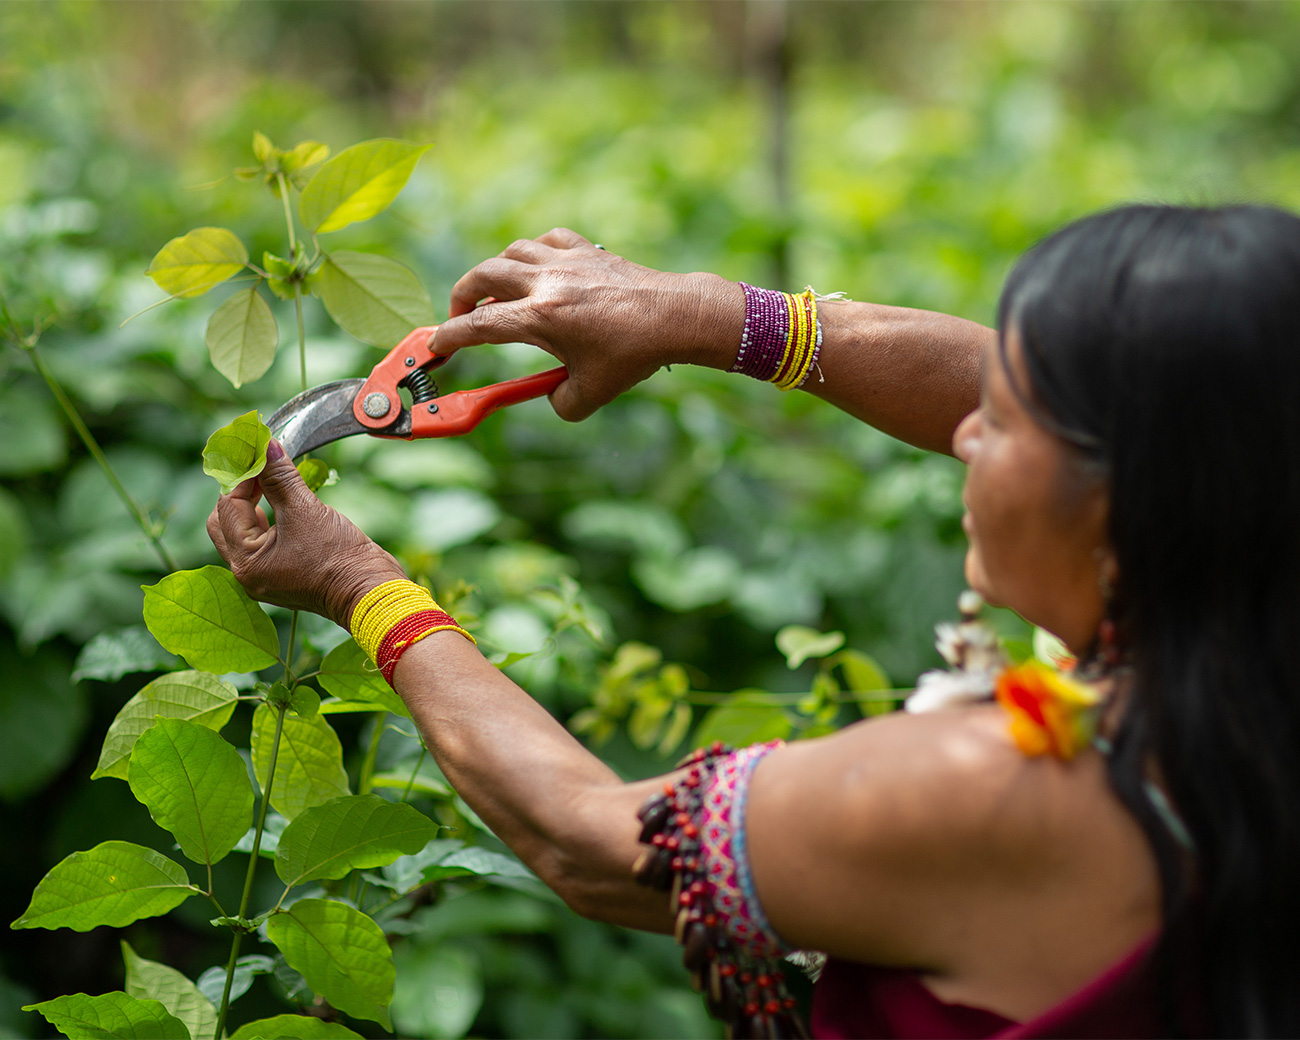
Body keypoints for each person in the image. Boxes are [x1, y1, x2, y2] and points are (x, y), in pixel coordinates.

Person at [208, 205, 1300, 1038]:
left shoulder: (1002, 789)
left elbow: (585, 835)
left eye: (1003, 423)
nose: (963, 435)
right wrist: (704, 315)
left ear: (1128, 509)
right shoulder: (1246, 653)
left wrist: (366, 589)